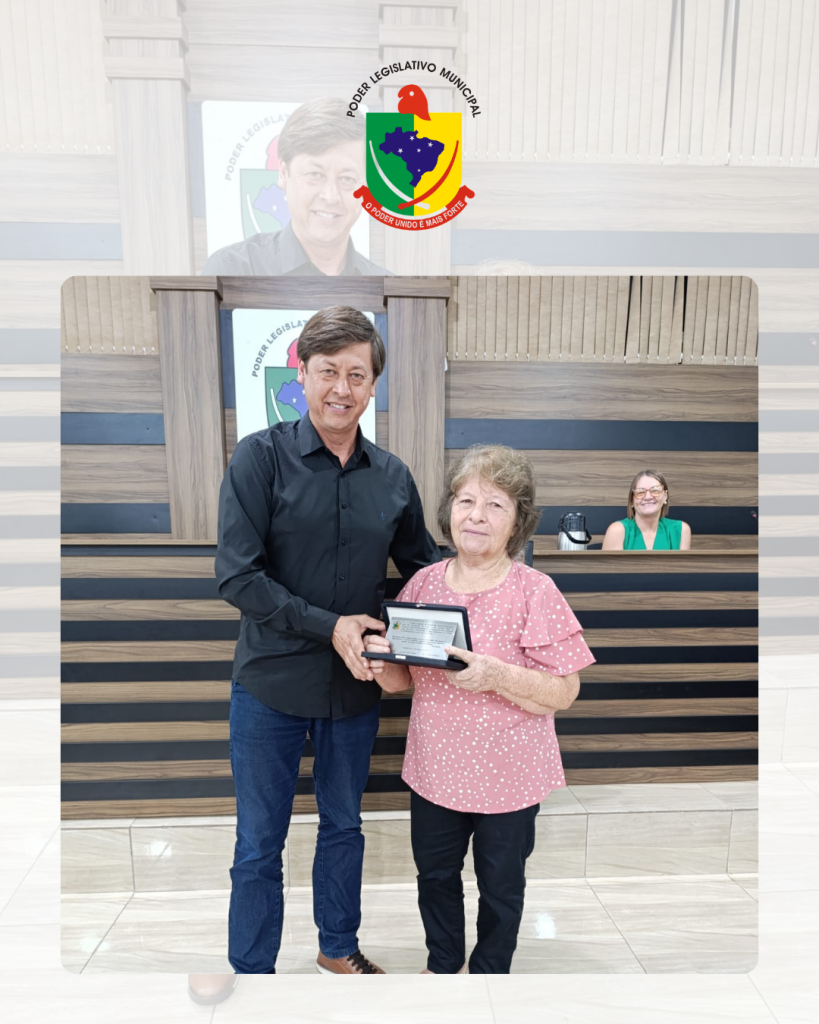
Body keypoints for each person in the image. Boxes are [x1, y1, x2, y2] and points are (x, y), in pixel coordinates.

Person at [214, 305, 440, 976]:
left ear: (373, 384)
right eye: (328, 372)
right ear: (303, 374)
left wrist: (486, 582)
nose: (342, 388)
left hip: (355, 688)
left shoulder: (393, 475)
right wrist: (330, 625)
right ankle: (252, 971)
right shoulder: (259, 457)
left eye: (357, 374)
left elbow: (422, 574)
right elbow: (237, 577)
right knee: (259, 841)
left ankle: (337, 948)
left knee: (344, 826)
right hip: (270, 686)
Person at [364, 445, 595, 974]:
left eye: (496, 505)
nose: (477, 515)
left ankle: (490, 973)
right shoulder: (423, 584)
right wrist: (380, 662)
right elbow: (403, 681)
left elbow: (565, 690)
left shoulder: (535, 590)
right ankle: (443, 964)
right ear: (449, 510)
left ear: (517, 522)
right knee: (435, 877)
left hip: (510, 777)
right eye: (466, 500)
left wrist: (496, 675)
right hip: (435, 770)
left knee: (501, 886)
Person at [202, 97, 388, 277]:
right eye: (315, 175)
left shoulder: (386, 289)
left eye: (347, 178)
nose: (331, 197)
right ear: (283, 174)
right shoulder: (232, 271)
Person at [601, 469, 692, 550]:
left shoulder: (680, 530)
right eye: (640, 492)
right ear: (632, 499)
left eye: (655, 490)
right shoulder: (617, 531)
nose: (648, 497)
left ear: (665, 496)